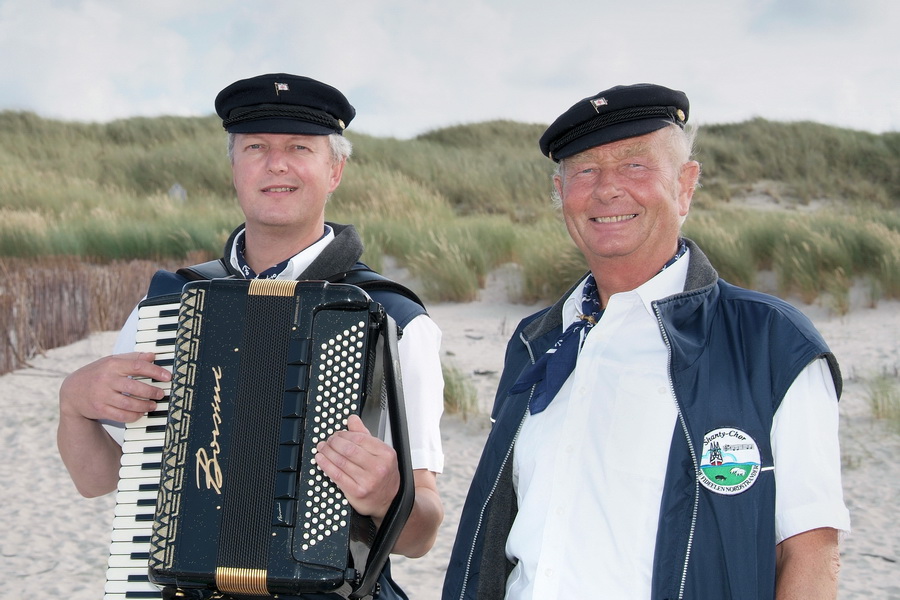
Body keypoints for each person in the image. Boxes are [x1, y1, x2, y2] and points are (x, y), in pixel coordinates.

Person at [443, 83, 850, 600]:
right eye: (585, 171)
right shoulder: (536, 342)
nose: (607, 189)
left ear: (685, 185)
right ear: (560, 192)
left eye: (635, 165)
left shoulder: (772, 343)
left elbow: (811, 551)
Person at [57, 73, 444, 599]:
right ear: (234, 169)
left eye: (300, 147)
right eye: (256, 147)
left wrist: (388, 495)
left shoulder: (392, 317)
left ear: (334, 170)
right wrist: (73, 404)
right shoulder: (171, 304)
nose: (276, 164)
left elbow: (422, 535)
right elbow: (97, 480)